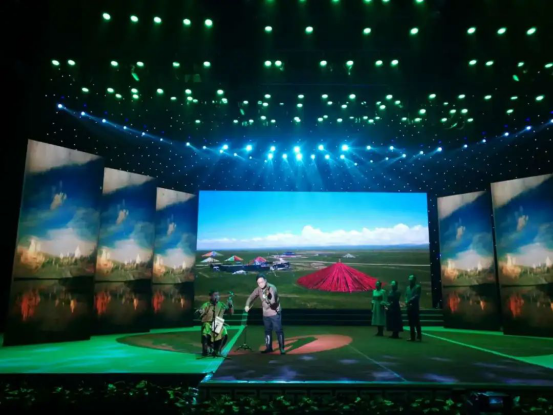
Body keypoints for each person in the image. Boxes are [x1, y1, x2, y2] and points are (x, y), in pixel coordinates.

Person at [244, 274, 285, 354]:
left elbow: (273, 303)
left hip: (274, 313)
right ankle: (268, 348)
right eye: (258, 283)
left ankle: (281, 348)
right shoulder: (258, 289)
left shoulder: (272, 288)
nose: (260, 284)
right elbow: (251, 297)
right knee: (267, 331)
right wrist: (247, 305)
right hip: (266, 314)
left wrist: (267, 298)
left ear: (265, 281)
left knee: (278, 330)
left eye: (262, 282)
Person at [198, 289, 234, 357]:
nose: (217, 296)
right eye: (215, 295)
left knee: (224, 331)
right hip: (208, 323)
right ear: (211, 296)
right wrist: (199, 312)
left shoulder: (222, 305)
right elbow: (199, 313)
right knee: (206, 329)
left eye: (218, 295)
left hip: (218, 324)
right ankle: (205, 350)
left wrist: (230, 306)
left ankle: (217, 350)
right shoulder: (206, 305)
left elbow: (231, 313)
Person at [405, 274, 422, 341]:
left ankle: (419, 337)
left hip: (415, 307)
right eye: (409, 278)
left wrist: (409, 301)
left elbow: (417, 296)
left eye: (411, 278)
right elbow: (406, 295)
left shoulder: (417, 287)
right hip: (409, 307)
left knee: (417, 322)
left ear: (414, 280)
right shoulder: (407, 288)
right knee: (411, 323)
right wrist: (406, 301)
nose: (410, 279)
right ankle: (412, 337)